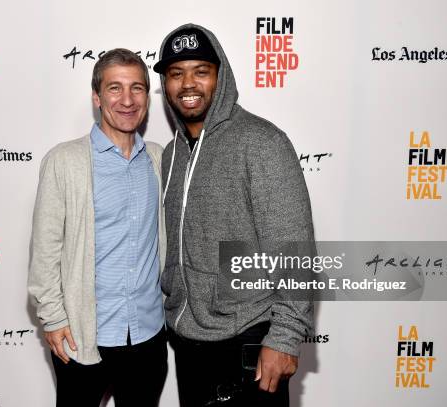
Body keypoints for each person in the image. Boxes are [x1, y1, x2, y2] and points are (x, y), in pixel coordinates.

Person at [154, 24, 315, 406]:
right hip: (189, 345)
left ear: (220, 76)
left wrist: (286, 337)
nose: (188, 83)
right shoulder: (172, 154)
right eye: (176, 74)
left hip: (250, 348)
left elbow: (295, 250)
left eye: (200, 71)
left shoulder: (261, 142)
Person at [28, 48, 167, 407]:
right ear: (97, 96)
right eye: (115, 88)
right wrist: (54, 319)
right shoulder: (65, 161)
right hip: (84, 338)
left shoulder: (158, 158)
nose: (127, 99)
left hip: (148, 337)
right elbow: (45, 250)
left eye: (137, 88)